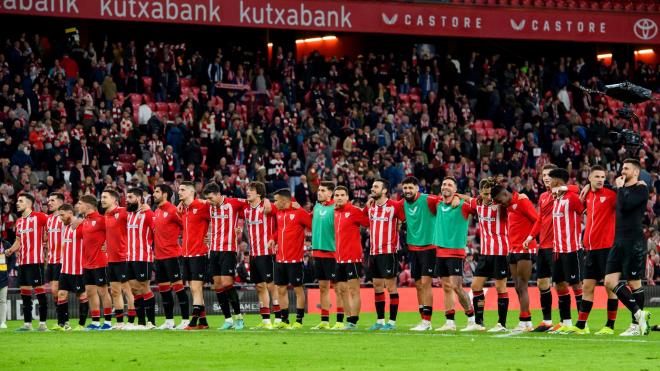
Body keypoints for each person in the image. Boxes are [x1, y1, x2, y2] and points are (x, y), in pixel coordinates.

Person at [604, 159, 651, 336]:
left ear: (636, 172)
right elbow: (598, 183)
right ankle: (640, 315)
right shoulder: (621, 188)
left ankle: (634, 326)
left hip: (634, 241)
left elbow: (625, 205)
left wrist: (620, 187)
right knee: (609, 281)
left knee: (634, 283)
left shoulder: (641, 188)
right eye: (622, 167)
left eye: (626, 168)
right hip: (619, 241)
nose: (622, 170)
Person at [571, 165, 618, 335]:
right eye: (597, 176)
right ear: (589, 178)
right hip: (590, 249)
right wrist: (583, 188)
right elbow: (570, 193)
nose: (600, 179)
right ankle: (581, 325)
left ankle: (610, 326)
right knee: (587, 287)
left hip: (607, 248)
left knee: (609, 288)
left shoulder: (611, 195)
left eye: (603, 177)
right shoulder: (587, 195)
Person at [463, 178, 510, 332]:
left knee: (500, 287)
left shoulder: (501, 205)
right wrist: (457, 195)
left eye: (490, 193)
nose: (488, 196)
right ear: (480, 193)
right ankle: (479, 322)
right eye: (485, 193)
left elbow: (511, 198)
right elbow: (467, 198)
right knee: (476, 286)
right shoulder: (477, 204)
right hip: (485, 253)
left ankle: (501, 324)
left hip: (500, 252)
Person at [432, 177, 477, 332]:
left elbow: (477, 203)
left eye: (450, 185)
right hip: (440, 252)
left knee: (456, 287)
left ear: (455, 189)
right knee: (446, 287)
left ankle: (472, 319)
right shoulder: (437, 203)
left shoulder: (462, 206)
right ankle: (450, 322)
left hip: (456, 252)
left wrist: (460, 196)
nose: (446, 186)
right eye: (444, 184)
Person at [202, 182, 248, 330]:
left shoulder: (233, 203)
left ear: (218, 194)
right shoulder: (209, 206)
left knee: (227, 283)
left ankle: (239, 317)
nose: (209, 201)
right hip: (214, 250)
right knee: (217, 285)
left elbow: (251, 202)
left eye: (210, 198)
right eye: (207, 199)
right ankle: (228, 319)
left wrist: (265, 200)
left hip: (228, 249)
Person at [493, 185, 538, 332]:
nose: (501, 204)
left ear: (506, 193)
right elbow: (499, 215)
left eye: (501, 200)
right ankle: (526, 320)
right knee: (518, 287)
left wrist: (530, 238)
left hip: (525, 248)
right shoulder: (507, 205)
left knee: (522, 285)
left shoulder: (523, 201)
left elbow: (537, 220)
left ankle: (525, 320)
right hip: (512, 249)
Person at [545, 168, 584, 334]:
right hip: (558, 250)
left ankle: (583, 323)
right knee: (559, 285)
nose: (548, 181)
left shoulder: (572, 197)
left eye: (551, 178)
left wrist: (572, 189)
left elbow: (585, 208)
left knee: (576, 285)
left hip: (571, 248)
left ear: (558, 181)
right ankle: (566, 322)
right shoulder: (556, 199)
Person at [364, 179, 404, 331]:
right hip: (374, 253)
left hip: (388, 252)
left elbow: (404, 220)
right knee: (377, 287)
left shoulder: (394, 206)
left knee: (391, 287)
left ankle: (392, 322)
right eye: (372, 186)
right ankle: (380, 321)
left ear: (385, 190)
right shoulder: (370, 207)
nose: (372, 189)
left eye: (376, 187)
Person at [5, 193, 49, 331]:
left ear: (29, 204)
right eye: (17, 201)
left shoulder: (40, 216)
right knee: (25, 293)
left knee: (40, 292)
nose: (17, 203)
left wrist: (47, 241)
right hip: (22, 262)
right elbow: (18, 241)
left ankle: (42, 324)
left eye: (21, 201)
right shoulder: (19, 221)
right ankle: (27, 324)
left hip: (36, 261)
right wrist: (10, 250)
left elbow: (53, 226)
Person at [269, 188, 312, 329]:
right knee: (281, 290)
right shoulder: (280, 214)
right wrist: (272, 239)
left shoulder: (299, 213)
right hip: (280, 259)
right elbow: (280, 230)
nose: (274, 203)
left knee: (298, 290)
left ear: (284, 200)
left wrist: (302, 209)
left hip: (295, 260)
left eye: (276, 200)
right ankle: (284, 319)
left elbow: (313, 225)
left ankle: (299, 320)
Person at [401, 176, 439, 331]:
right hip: (413, 249)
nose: (408, 191)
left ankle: (427, 322)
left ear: (417, 188)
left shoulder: (428, 200)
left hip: (429, 247)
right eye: (405, 188)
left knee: (425, 283)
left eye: (410, 188)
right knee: (417, 284)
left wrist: (457, 198)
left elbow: (447, 198)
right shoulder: (402, 203)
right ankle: (422, 319)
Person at [243, 181, 280, 329]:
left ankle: (278, 318)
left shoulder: (268, 207)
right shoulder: (246, 210)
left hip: (267, 252)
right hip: (254, 254)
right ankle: (265, 320)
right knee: (259, 286)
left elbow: (281, 220)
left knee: (272, 285)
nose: (248, 192)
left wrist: (274, 238)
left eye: (251, 190)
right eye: (247, 189)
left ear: (259, 193)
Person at [152, 184, 189, 330]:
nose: (153, 194)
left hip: (172, 256)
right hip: (159, 257)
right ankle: (169, 321)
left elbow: (187, 226)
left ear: (165, 194)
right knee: (164, 290)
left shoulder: (174, 210)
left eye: (157, 192)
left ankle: (185, 320)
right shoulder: (156, 211)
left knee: (179, 288)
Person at [333, 186, 369, 330]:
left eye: (342, 195)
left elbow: (367, 222)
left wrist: (366, 208)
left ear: (347, 197)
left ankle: (353, 320)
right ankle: (349, 319)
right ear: (334, 198)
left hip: (352, 258)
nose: (339, 197)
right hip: (338, 258)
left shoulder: (354, 211)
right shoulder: (334, 212)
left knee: (354, 290)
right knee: (341, 290)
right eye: (337, 195)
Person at [310, 181, 344, 330]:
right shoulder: (317, 207)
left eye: (323, 190)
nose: (319, 193)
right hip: (318, 252)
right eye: (319, 190)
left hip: (332, 253)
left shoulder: (335, 208)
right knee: (323, 288)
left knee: (338, 289)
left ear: (330, 193)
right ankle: (324, 320)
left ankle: (340, 321)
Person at [178, 181, 211, 330]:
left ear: (191, 192)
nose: (179, 192)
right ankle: (203, 322)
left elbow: (219, 214)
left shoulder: (202, 205)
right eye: (179, 189)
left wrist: (211, 235)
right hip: (186, 253)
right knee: (192, 287)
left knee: (197, 287)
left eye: (183, 189)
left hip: (199, 252)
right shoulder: (183, 210)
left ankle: (193, 320)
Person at [77, 194, 113, 330]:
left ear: (88, 205)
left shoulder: (101, 220)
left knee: (103, 291)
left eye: (80, 204)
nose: (78, 206)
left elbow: (115, 232)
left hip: (100, 262)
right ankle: (96, 322)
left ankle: (108, 322)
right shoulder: (84, 221)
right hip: (87, 263)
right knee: (90, 292)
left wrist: (108, 245)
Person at [51, 203, 88, 331]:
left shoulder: (81, 226)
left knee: (81, 296)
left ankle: (81, 325)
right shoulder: (65, 227)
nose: (60, 218)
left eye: (62, 215)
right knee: (61, 294)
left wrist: (81, 219)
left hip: (78, 269)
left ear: (70, 213)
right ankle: (63, 324)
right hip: (65, 269)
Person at [100, 188, 132, 329]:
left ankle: (131, 323)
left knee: (127, 290)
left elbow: (137, 219)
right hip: (111, 259)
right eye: (101, 196)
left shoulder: (124, 212)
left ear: (114, 199)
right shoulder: (106, 215)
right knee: (115, 291)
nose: (102, 199)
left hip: (124, 257)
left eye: (105, 197)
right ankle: (119, 323)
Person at [125, 187, 156, 330]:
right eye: (126, 197)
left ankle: (151, 322)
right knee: (134, 290)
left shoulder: (147, 214)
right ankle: (141, 323)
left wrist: (150, 210)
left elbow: (158, 229)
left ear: (138, 198)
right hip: (129, 257)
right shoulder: (128, 215)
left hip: (143, 257)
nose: (127, 200)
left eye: (130, 197)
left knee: (144, 287)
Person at [45, 192, 65, 310]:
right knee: (53, 291)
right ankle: (62, 319)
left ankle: (64, 321)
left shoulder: (64, 218)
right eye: (49, 200)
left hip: (62, 259)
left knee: (57, 289)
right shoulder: (49, 219)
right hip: (51, 260)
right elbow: (47, 238)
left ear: (61, 203)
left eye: (53, 200)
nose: (49, 203)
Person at [0, 236, 15, 329]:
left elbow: (12, 259)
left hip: (3, 277)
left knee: (2, 300)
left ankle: (2, 322)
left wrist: (8, 270)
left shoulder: (6, 244)